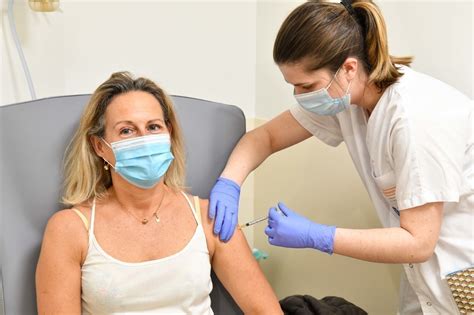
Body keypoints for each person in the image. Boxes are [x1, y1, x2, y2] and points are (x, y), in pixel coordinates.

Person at [208, 1, 473, 314]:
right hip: (426, 277)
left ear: (348, 68)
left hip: (462, 271)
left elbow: (418, 242)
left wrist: (317, 236)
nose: (300, 97)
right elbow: (264, 137)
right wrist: (229, 183)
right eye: (293, 86)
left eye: (307, 86)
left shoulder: (414, 117)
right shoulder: (348, 100)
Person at [35, 72, 283, 314]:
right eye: (126, 131)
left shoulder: (210, 218)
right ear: (100, 146)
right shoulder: (70, 229)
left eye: (153, 127)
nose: (144, 139)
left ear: (169, 133)